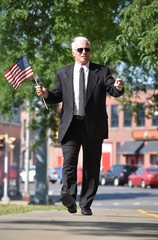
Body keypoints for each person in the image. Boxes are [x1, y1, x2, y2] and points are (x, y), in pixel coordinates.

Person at [36, 36, 124, 215]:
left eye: (87, 49)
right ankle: (68, 196)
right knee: (69, 164)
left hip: (93, 126)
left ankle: (85, 204)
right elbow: (57, 95)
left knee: (91, 167)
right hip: (71, 126)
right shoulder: (63, 73)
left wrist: (119, 86)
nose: (84, 52)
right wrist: (46, 94)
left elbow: (113, 90)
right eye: (80, 50)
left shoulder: (102, 71)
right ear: (73, 53)